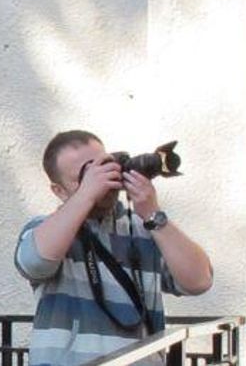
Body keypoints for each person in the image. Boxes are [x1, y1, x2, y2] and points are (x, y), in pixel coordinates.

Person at [14, 130, 213, 365]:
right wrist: (87, 194)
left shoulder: (144, 229)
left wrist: (153, 215)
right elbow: (35, 261)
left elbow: (200, 281)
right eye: (84, 177)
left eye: (103, 166)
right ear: (59, 191)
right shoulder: (44, 229)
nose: (98, 181)